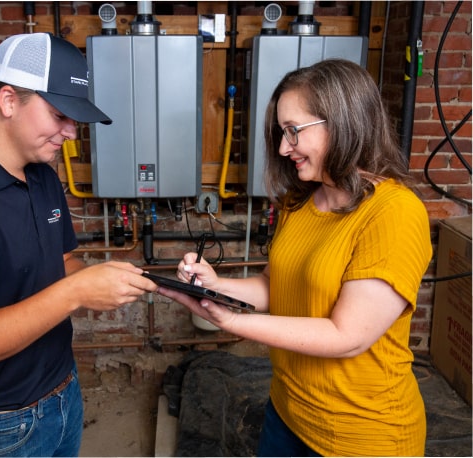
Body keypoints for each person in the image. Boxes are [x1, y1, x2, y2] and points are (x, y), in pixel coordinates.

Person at [0, 32, 157, 457]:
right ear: (8, 101)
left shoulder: (42, 176)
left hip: (62, 396)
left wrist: (102, 281)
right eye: (59, 115)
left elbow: (61, 262)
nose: (71, 133)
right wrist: (75, 292)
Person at [157, 59, 432, 457]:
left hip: (363, 436)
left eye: (293, 132)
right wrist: (215, 284)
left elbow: (348, 337)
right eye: (281, 133)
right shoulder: (299, 201)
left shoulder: (395, 213)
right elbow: (274, 285)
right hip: (287, 415)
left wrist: (235, 321)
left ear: (343, 121)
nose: (285, 148)